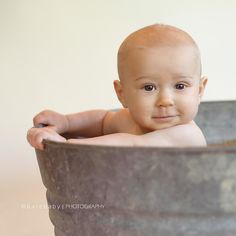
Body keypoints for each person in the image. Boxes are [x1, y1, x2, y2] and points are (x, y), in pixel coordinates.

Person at [27, 23, 208, 150]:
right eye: (149, 88)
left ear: (199, 91)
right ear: (122, 94)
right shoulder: (132, 120)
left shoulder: (186, 135)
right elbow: (103, 121)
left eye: (180, 85)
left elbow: (132, 145)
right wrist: (66, 122)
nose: (165, 101)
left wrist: (65, 146)